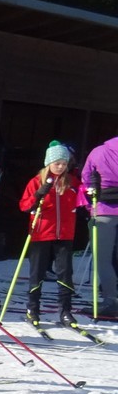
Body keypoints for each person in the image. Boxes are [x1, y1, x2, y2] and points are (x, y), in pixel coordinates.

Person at [19, 141, 88, 326]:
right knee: (37, 272)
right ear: (49, 163)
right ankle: (33, 309)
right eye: (57, 163)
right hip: (41, 232)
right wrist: (37, 196)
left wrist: (89, 195)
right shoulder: (37, 181)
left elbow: (83, 198)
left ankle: (65, 311)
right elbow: (24, 206)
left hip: (64, 234)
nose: (61, 167)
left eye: (64, 163)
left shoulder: (72, 182)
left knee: (65, 273)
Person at [83, 133, 118, 317]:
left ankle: (111, 300)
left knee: (103, 260)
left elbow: (86, 180)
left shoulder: (98, 152)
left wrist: (90, 206)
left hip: (104, 210)